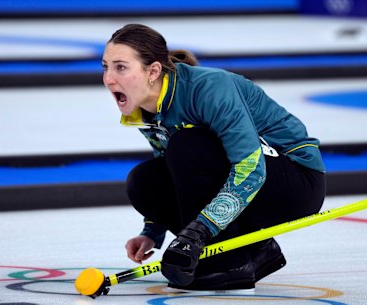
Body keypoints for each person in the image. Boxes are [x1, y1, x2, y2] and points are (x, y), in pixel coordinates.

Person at [102, 23, 326, 291]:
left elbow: (251, 168)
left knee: (188, 145)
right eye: (105, 67)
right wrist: (153, 232)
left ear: (153, 71)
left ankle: (227, 265)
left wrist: (200, 230)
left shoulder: (210, 88)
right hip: (244, 180)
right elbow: (172, 173)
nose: (109, 79)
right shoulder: (144, 109)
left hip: (295, 180)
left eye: (121, 67)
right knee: (144, 181)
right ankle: (253, 249)